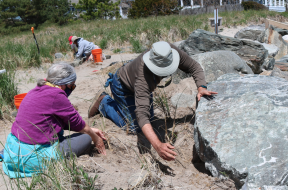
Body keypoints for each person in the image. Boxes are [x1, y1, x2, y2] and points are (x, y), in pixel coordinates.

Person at [88, 41, 217, 161]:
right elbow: (141, 115)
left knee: (151, 119)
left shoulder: (168, 51)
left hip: (137, 80)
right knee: (134, 127)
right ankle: (104, 102)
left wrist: (202, 87)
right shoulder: (143, 78)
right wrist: (158, 146)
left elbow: (194, 66)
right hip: (123, 87)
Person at [0, 62, 106, 178]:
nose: (72, 89)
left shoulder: (36, 90)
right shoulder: (57, 94)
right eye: (72, 86)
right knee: (86, 138)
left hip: (13, 150)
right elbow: (77, 123)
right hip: (32, 158)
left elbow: (53, 120)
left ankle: (3, 154)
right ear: (64, 84)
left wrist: (90, 129)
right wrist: (95, 138)